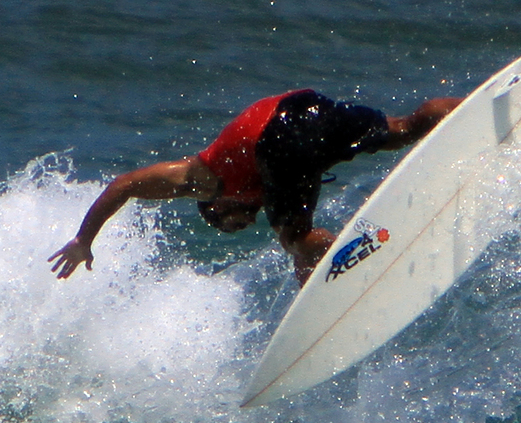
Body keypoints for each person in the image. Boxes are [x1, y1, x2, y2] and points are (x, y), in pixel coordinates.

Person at [48, 88, 462, 283]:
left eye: (230, 222)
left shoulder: (201, 181)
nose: (246, 221)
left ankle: (356, 259)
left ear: (216, 207)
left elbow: (124, 184)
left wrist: (84, 239)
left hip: (277, 134)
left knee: (296, 239)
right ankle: (474, 102)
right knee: (404, 129)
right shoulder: (266, 186)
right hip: (308, 106)